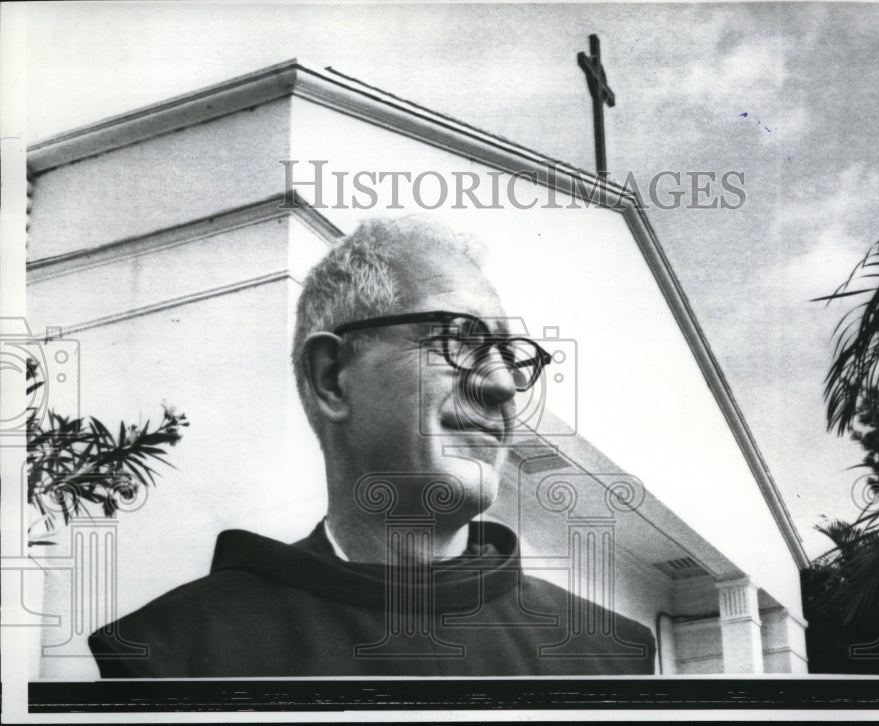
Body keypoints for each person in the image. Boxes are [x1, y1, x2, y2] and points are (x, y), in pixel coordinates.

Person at [88, 217, 655, 676]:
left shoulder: (609, 658)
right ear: (332, 379)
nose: (503, 385)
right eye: (461, 340)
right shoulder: (176, 655)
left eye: (510, 355)